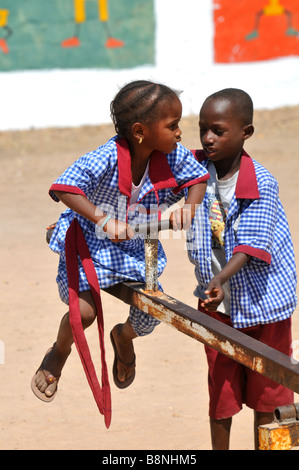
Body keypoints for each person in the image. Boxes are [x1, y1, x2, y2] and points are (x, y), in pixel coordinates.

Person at [31, 80, 209, 426]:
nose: (180, 132)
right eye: (172, 125)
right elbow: (65, 186)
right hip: (89, 240)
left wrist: (190, 206)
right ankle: (60, 350)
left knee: (153, 310)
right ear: (140, 131)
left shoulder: (172, 154)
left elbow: (197, 177)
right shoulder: (105, 157)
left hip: (134, 246)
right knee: (82, 314)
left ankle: (123, 337)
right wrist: (103, 219)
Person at [187, 88, 297, 449]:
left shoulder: (260, 182)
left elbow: (251, 245)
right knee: (221, 394)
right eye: (203, 129)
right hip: (219, 305)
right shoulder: (195, 170)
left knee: (271, 393)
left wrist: (218, 278)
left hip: (265, 304)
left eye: (218, 130)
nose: (207, 138)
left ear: (245, 132)